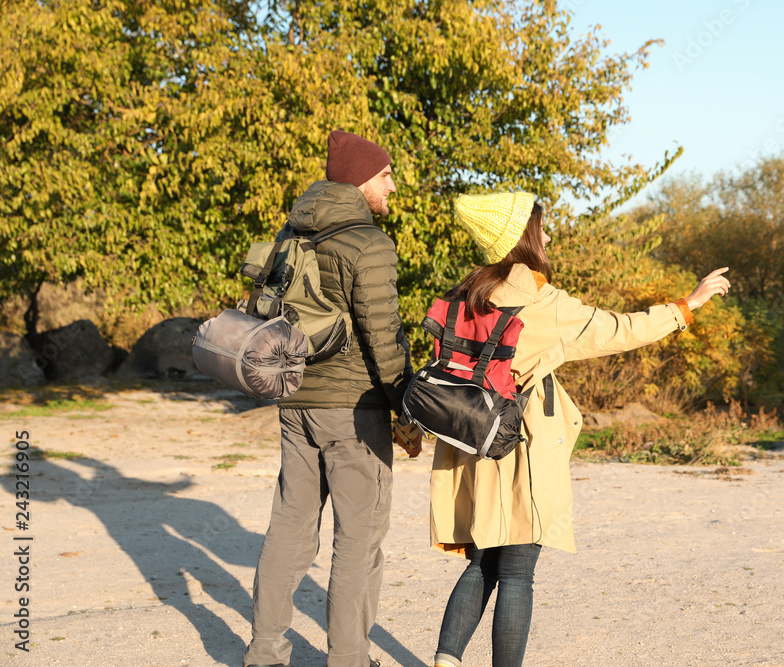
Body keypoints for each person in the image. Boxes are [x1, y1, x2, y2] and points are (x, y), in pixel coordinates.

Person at [428, 192, 731, 667]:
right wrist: (687, 305)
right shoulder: (542, 302)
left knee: (483, 560)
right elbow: (618, 329)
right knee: (518, 572)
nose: (547, 237)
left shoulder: (465, 295)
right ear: (520, 238)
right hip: (517, 445)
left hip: (469, 441)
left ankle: (445, 662)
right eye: (540, 228)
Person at [243, 130, 422, 667]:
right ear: (364, 181)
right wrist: (407, 414)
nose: (394, 184)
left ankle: (265, 654)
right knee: (358, 539)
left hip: (295, 402)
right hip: (355, 410)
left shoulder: (292, 231)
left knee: (289, 529)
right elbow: (384, 341)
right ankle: (348, 657)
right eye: (386, 175)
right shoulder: (369, 244)